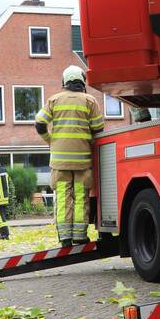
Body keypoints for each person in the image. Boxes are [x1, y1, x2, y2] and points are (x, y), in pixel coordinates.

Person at [35, 65, 104, 246]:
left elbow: (39, 123)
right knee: (81, 198)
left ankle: (65, 238)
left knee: (63, 198)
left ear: (64, 81)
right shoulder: (90, 101)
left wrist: (50, 141)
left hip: (59, 162)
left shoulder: (54, 100)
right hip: (82, 161)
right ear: (82, 80)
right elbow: (98, 128)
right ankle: (80, 237)